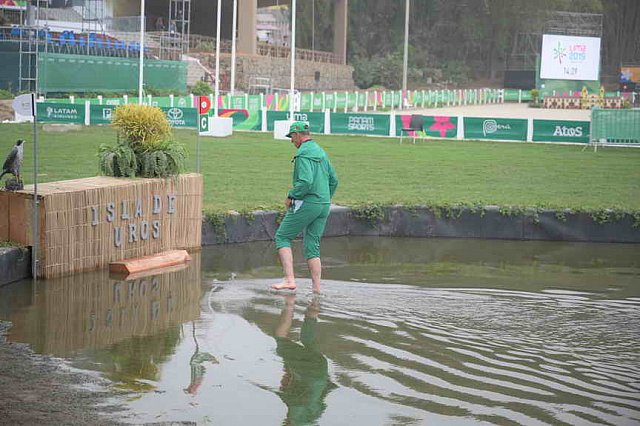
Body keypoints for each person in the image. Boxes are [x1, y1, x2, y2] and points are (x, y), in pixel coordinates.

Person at [271, 121, 338, 294]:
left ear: (298, 135)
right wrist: (325, 198)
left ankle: (289, 279)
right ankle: (316, 289)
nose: (291, 141)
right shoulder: (321, 152)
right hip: (324, 204)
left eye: (291, 137)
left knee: (282, 236)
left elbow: (306, 182)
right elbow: (334, 180)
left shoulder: (302, 154)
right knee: (312, 245)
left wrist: (291, 195)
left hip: (307, 203)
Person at [274, 295, 335, 425]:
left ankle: (315, 303)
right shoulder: (296, 415)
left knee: (307, 341)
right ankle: (289, 303)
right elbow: (294, 397)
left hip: (322, 369)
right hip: (311, 370)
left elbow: (323, 398)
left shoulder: (314, 415)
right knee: (280, 342)